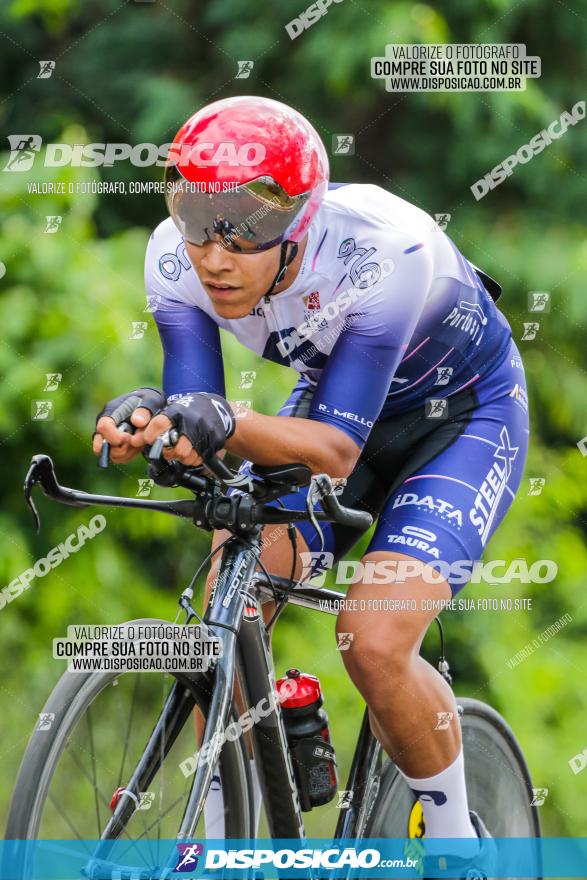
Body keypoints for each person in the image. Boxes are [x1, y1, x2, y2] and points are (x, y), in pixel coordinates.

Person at [93, 95, 529, 874]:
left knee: (373, 638)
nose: (216, 255)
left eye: (246, 228)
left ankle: (458, 845)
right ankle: (217, 844)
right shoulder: (173, 256)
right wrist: (153, 423)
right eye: (196, 216)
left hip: (459, 421)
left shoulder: (378, 251)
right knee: (234, 582)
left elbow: (328, 451)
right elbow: (204, 420)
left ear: (297, 223)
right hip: (337, 399)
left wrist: (215, 421)